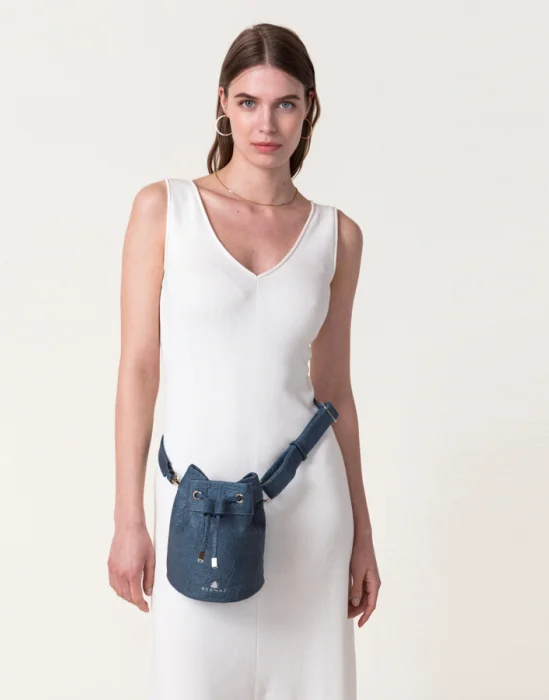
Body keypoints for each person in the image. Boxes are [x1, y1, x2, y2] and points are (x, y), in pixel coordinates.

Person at [107, 21, 380, 700]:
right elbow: (139, 368)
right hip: (197, 514)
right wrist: (129, 518)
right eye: (249, 101)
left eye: (286, 103)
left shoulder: (337, 236)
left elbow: (335, 391)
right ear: (223, 104)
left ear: (309, 108)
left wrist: (364, 534)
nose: (267, 123)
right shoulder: (164, 210)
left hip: (310, 513)